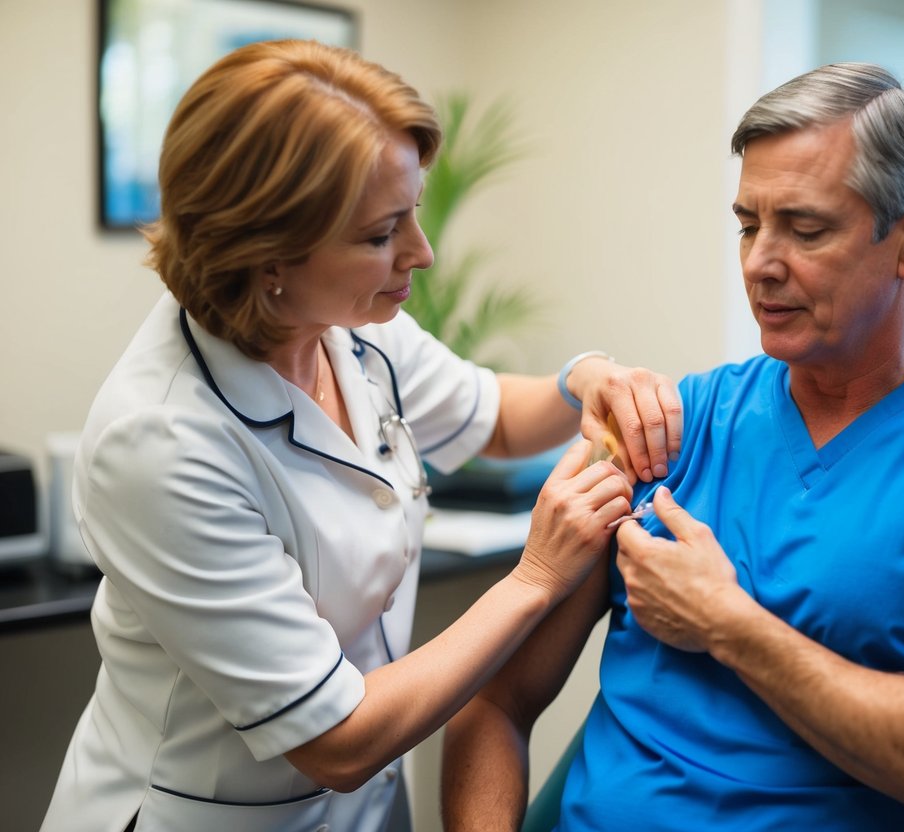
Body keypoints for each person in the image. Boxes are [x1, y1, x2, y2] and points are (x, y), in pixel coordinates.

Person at [441, 62, 904, 832]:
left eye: (806, 228)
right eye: (748, 224)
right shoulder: (665, 426)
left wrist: (727, 624)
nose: (759, 262)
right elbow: (493, 700)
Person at [40, 39, 682, 832]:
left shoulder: (345, 330)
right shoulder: (162, 442)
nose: (422, 251)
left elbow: (494, 417)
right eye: (382, 233)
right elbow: (336, 740)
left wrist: (584, 376)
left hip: (364, 805)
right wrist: (535, 578)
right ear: (267, 253)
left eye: (411, 212)